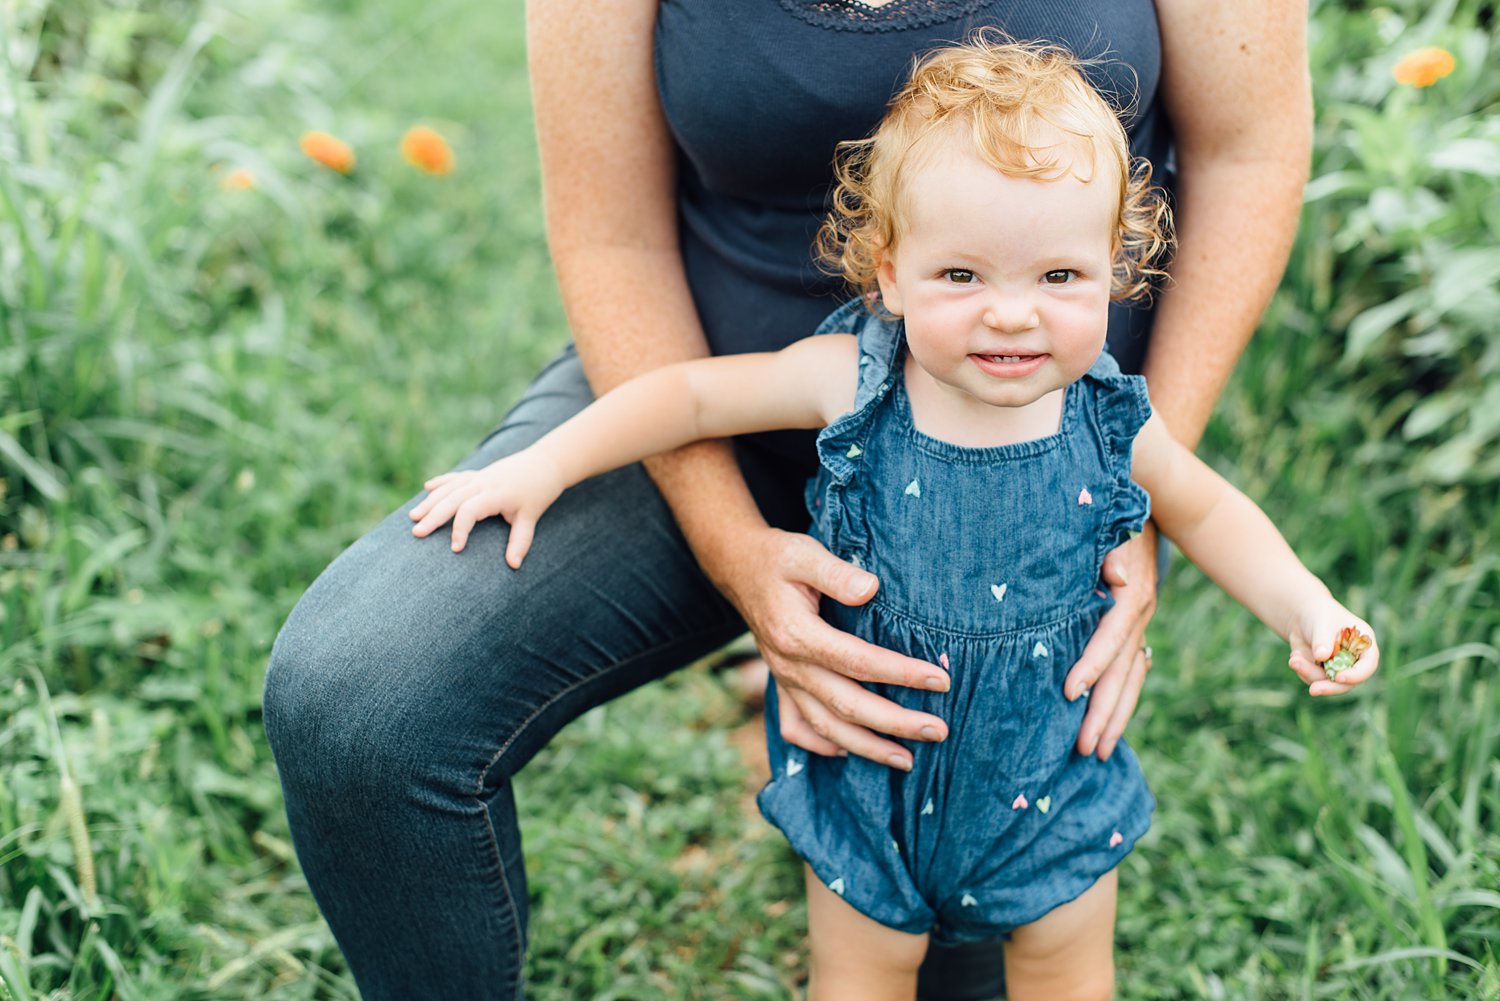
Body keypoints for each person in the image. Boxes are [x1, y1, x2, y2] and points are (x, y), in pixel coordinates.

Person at [262, 3, 1313, 998]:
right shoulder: (845, 366)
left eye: (1057, 277)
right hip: (713, 394)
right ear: (886, 275)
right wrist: (725, 543)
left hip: (1035, 489)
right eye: (958, 276)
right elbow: (628, 276)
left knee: (992, 942)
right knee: (362, 700)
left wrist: (1129, 500)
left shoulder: (1095, 417)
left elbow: (1247, 152)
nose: (1008, 309)